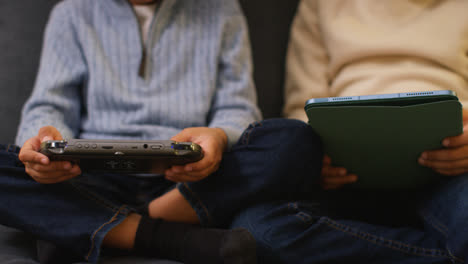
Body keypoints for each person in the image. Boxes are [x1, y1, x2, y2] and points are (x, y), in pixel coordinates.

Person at [0, 0, 326, 263]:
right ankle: (171, 237)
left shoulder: (222, 10)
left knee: (295, 141)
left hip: (188, 181)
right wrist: (44, 144)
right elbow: (50, 105)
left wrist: (218, 136)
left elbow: (238, 109)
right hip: (92, 176)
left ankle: (96, 227)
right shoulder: (71, 13)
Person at [230, 0, 468, 263]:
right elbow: (301, 106)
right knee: (255, 230)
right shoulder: (321, 4)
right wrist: (315, 160)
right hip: (344, 178)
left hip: (449, 171)